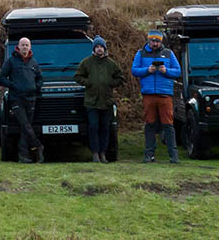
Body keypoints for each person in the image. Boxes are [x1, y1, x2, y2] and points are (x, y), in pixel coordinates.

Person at [131, 29, 180, 163]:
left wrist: (166, 71)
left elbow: (178, 71)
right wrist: (148, 70)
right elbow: (134, 70)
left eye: (157, 41)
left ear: (161, 42)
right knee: (150, 124)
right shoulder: (141, 53)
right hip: (148, 94)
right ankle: (149, 155)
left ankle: (173, 156)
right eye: (152, 41)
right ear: (148, 40)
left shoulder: (169, 53)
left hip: (165, 94)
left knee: (168, 125)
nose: (154, 43)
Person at [74, 35, 124, 163]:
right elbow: (77, 76)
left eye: (101, 47)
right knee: (93, 127)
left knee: (105, 128)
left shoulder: (111, 64)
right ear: (94, 49)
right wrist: (88, 82)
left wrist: (110, 83)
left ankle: (103, 153)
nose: (99, 49)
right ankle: (95, 153)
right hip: (91, 102)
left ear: (105, 48)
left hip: (106, 102)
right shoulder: (86, 62)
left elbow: (120, 77)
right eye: (97, 47)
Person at [0, 36, 44, 162]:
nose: (24, 47)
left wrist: (36, 87)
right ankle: (38, 146)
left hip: (31, 99)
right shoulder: (11, 61)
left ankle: (23, 155)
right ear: (18, 46)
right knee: (25, 125)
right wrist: (13, 85)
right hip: (16, 99)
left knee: (25, 128)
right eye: (22, 45)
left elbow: (40, 78)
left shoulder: (33, 62)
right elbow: (1, 77)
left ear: (30, 47)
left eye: (27, 45)